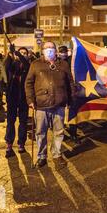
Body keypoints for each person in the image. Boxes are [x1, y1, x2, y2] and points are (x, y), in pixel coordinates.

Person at [25, 41, 77, 169]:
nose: (49, 50)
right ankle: (41, 156)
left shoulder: (63, 64)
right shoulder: (35, 64)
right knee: (40, 132)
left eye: (52, 48)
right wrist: (30, 100)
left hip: (59, 104)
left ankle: (56, 154)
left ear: (56, 50)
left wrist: (70, 99)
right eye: (46, 48)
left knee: (58, 132)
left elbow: (70, 83)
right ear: (42, 50)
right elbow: (29, 83)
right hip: (41, 105)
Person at [4, 44, 31, 157]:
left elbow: (26, 65)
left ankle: (21, 143)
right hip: (12, 98)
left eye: (25, 53)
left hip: (24, 99)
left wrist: (20, 55)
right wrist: (10, 55)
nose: (23, 55)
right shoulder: (13, 64)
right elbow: (7, 67)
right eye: (21, 53)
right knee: (11, 121)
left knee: (23, 122)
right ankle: (9, 143)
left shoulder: (29, 65)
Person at [58, 45, 81, 145]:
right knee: (60, 116)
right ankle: (60, 134)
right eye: (61, 52)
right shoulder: (56, 62)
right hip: (61, 92)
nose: (63, 53)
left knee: (72, 114)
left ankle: (73, 134)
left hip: (71, 92)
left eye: (64, 51)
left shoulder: (71, 61)